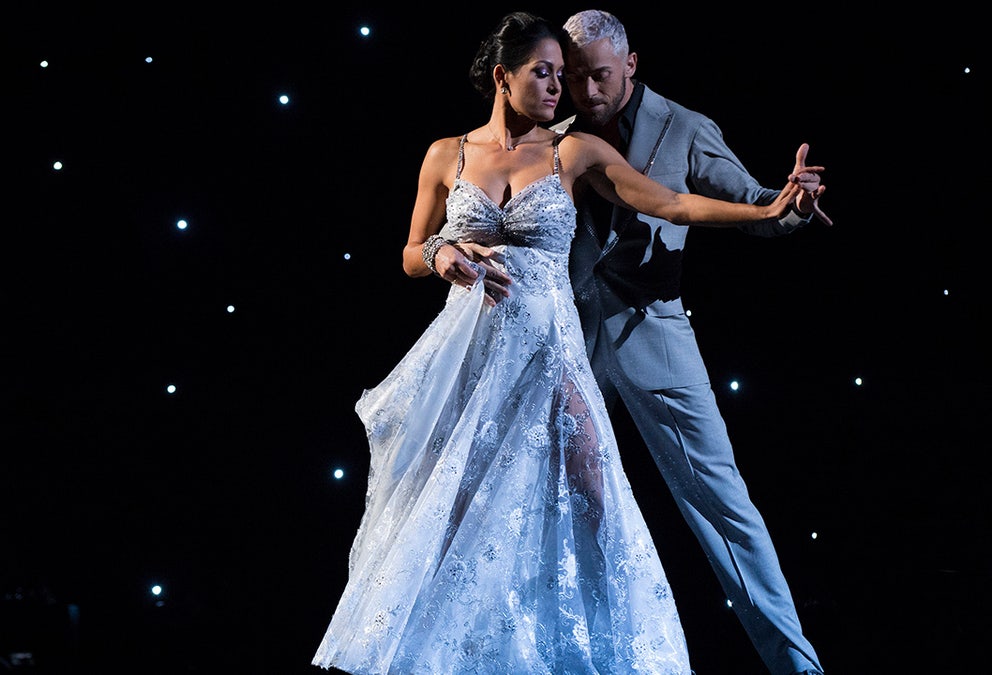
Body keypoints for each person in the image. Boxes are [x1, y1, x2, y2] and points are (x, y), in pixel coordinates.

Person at [312, 11, 819, 675]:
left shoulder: (610, 143)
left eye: (577, 75)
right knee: (466, 501)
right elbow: (413, 248)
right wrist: (442, 252)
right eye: (553, 74)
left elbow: (676, 204)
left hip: (598, 340)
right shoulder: (477, 147)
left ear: (630, 63)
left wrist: (771, 210)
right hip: (496, 346)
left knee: (640, 496)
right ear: (506, 77)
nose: (568, 89)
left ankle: (727, 659)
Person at [550, 9, 828, 675]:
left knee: (722, 503)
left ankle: (796, 663)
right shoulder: (548, 129)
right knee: (549, 504)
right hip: (563, 340)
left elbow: (755, 202)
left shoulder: (686, 128)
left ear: (633, 64)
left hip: (655, 334)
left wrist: (787, 205)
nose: (589, 92)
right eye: (578, 78)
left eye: (603, 78)